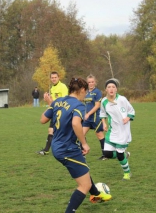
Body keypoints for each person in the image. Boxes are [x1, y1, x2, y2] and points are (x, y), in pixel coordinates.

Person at [40, 77, 112, 212]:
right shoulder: (79, 104)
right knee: (84, 185)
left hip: (57, 146)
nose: (85, 96)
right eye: (85, 92)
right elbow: (75, 123)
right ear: (82, 90)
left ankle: (96, 194)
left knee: (83, 168)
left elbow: (43, 119)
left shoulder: (58, 101)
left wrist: (52, 104)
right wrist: (84, 143)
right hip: (67, 148)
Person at [100, 78, 135, 180]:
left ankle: (127, 173)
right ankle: (124, 155)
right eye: (109, 87)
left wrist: (127, 118)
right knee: (106, 153)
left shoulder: (122, 99)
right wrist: (104, 123)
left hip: (123, 132)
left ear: (116, 89)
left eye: (113, 87)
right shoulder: (104, 101)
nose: (111, 89)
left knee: (119, 156)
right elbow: (102, 113)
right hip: (112, 131)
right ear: (106, 89)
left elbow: (131, 111)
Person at [37, 71, 68, 155]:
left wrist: (50, 101)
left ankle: (74, 147)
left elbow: (65, 101)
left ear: (58, 78)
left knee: (64, 132)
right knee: (51, 130)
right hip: (55, 112)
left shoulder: (63, 87)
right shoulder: (52, 88)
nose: (54, 79)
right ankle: (46, 150)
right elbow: (53, 102)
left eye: (55, 77)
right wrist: (48, 100)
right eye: (52, 77)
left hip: (62, 112)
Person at [83, 74, 107, 160]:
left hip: (96, 117)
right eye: (89, 82)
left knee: (99, 135)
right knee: (81, 134)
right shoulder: (85, 92)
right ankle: (83, 152)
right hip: (87, 118)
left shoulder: (97, 92)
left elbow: (97, 105)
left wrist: (88, 114)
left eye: (92, 82)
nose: (91, 83)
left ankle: (105, 155)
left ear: (95, 82)